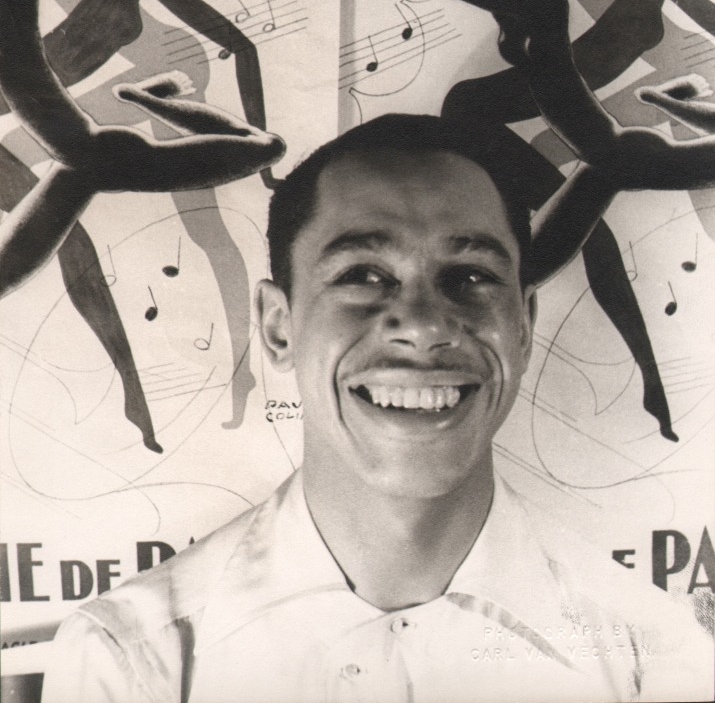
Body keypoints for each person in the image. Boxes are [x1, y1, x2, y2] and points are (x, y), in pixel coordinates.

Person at [40, 114, 712, 703]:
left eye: (470, 277)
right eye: (362, 275)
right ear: (277, 327)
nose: (422, 326)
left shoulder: (650, 659)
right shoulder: (131, 662)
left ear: (524, 326)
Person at [347, 0, 715, 441]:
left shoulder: (539, 4)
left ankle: (650, 378)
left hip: (607, 151)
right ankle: (637, 376)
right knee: (557, 235)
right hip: (505, 129)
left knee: (650, 184)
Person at [0, 0, 285, 450]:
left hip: (84, 147)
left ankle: (145, 96)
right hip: (83, 151)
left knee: (265, 148)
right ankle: (144, 96)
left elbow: (32, 80)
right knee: (264, 148)